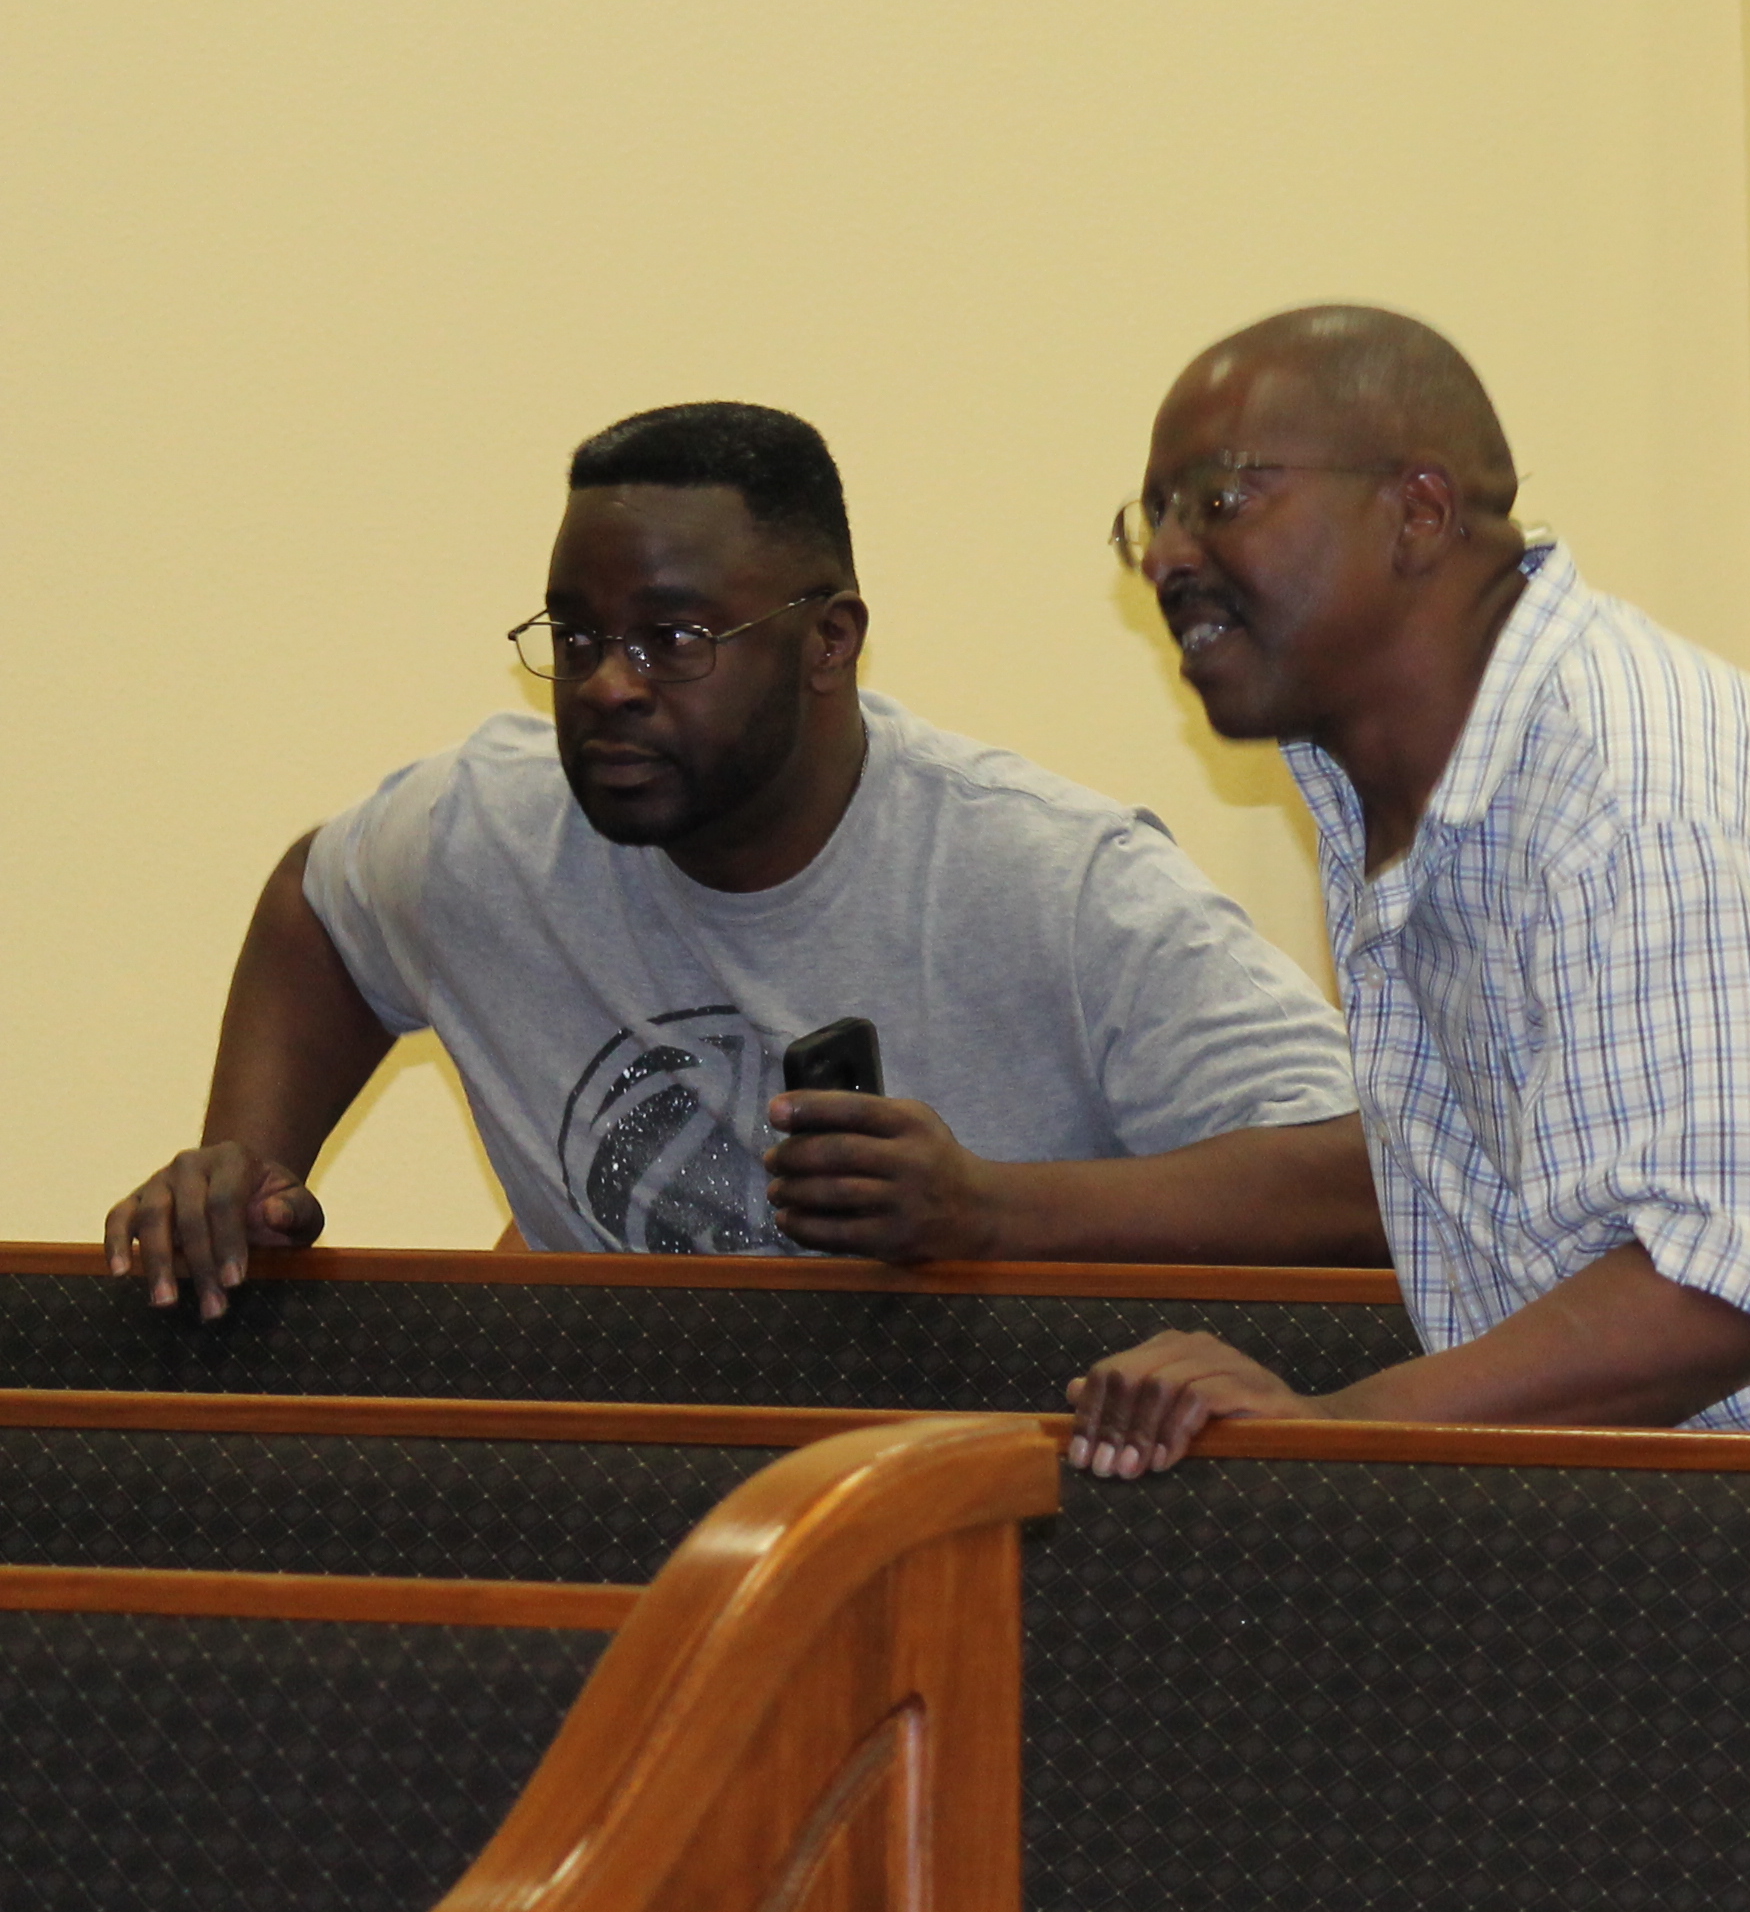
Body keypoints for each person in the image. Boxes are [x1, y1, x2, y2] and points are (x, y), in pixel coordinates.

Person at [1062, 304, 1750, 1471]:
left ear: (1419, 512)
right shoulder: (1396, 781)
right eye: (1151, 517)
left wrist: (1338, 1428)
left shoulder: (1643, 785)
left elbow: (1715, 1285)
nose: (1166, 558)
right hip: (1720, 1481)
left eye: (1220, 500)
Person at [109, 403, 1375, 1314]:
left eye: (674, 640)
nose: (609, 686)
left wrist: (989, 1209)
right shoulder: (487, 834)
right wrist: (246, 1168)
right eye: (576, 637)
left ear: (830, 642)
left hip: (979, 1506)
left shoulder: (1054, 880)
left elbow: (1376, 1178)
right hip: (638, 1507)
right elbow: (319, 906)